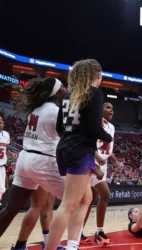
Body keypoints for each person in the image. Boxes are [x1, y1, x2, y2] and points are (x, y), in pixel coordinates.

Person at [45, 59, 113, 250]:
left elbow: (60, 127)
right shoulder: (94, 93)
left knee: (86, 199)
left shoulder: (68, 95)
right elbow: (93, 127)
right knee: (68, 204)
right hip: (80, 150)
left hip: (65, 149)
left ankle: (72, 245)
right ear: (97, 75)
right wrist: (107, 137)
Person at [0, 78, 66, 250]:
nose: (66, 90)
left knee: (11, 208)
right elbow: (68, 138)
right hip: (43, 161)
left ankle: (22, 246)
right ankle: (54, 245)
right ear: (57, 92)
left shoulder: (35, 109)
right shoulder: (56, 112)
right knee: (79, 200)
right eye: (63, 88)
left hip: (25, 159)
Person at [81, 102, 118, 246]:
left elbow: (108, 148)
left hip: (103, 164)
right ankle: (99, 231)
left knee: (89, 201)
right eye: (108, 107)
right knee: (105, 194)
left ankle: (80, 233)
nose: (111, 110)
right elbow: (86, 143)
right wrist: (97, 158)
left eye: (112, 108)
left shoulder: (111, 127)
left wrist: (115, 161)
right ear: (99, 109)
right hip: (90, 161)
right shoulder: (93, 121)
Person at [0, 116, 17, 206]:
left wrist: (12, 155)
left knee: (1, 189)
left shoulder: (6, 135)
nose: (1, 123)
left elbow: (7, 150)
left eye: (2, 122)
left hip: (2, 166)